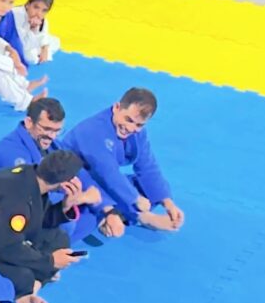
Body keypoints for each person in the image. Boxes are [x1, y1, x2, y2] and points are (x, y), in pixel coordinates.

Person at [0, 147, 93, 299]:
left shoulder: (29, 176)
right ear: (66, 183)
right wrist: (49, 262)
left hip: (0, 234)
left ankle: (36, 282)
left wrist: (64, 207)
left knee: (59, 238)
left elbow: (37, 218)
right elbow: (4, 248)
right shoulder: (18, 199)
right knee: (24, 277)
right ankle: (30, 287)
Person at [64, 87, 184, 235]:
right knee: (83, 218)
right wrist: (135, 200)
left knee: (148, 188)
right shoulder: (93, 130)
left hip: (100, 177)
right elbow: (108, 173)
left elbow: (147, 166)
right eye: (128, 120)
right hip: (74, 177)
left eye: (139, 125)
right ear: (117, 107)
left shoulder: (137, 132)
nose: (131, 128)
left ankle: (113, 216)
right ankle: (131, 216)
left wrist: (168, 203)